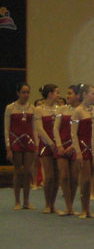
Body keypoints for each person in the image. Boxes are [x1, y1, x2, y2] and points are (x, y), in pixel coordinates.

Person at [4, 82, 36, 210]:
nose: (26, 95)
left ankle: (26, 201)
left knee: (28, 171)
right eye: (23, 92)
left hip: (29, 141)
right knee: (18, 171)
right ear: (18, 93)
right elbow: (6, 128)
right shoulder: (10, 108)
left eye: (27, 92)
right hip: (15, 141)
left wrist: (36, 144)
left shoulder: (32, 108)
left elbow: (34, 128)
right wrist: (8, 147)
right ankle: (17, 201)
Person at [70, 84, 94, 219]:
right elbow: (73, 134)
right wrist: (78, 152)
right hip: (82, 148)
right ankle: (83, 208)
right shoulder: (78, 111)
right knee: (85, 180)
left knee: (91, 179)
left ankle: (88, 209)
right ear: (84, 95)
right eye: (93, 93)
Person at [53, 85, 80, 215]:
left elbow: (83, 132)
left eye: (70, 93)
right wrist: (59, 146)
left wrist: (73, 146)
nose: (67, 96)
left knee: (74, 178)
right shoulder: (62, 109)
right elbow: (55, 128)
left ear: (78, 95)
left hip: (75, 147)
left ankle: (71, 205)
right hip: (62, 147)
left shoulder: (82, 111)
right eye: (67, 93)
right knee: (64, 176)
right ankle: (68, 206)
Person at [35, 84, 60, 214]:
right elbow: (39, 128)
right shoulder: (39, 109)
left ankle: (53, 203)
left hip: (58, 144)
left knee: (56, 176)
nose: (59, 95)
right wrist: (50, 142)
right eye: (57, 92)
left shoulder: (59, 109)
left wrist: (59, 143)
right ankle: (47, 204)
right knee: (49, 176)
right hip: (46, 144)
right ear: (50, 94)